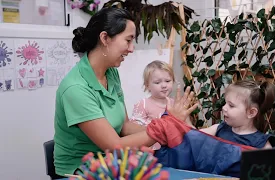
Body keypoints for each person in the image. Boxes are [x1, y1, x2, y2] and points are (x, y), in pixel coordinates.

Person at [53, 7, 197, 177]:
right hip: (80, 171)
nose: (131, 48)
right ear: (105, 38)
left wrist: (169, 128)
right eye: (128, 40)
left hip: (111, 162)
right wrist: (165, 126)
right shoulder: (76, 89)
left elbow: (125, 126)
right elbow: (114, 146)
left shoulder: (110, 73)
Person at [199, 79, 275, 148]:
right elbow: (194, 137)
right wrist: (187, 120)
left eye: (231, 105)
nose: (224, 108)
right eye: (225, 103)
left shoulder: (261, 144)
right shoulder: (219, 129)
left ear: (251, 112)